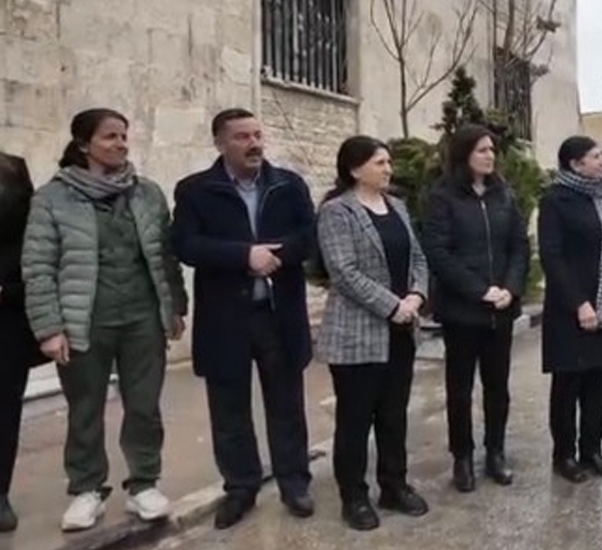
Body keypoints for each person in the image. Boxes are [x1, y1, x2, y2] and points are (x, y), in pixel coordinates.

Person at [22, 109, 188, 530]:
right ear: (83, 145)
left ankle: (144, 484)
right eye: (110, 136)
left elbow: (164, 257)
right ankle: (85, 489)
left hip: (142, 318)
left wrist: (175, 308)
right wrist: (49, 328)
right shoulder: (52, 197)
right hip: (84, 321)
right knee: (84, 408)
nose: (121, 144)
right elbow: (38, 265)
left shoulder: (146, 193)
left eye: (124, 136)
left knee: (145, 407)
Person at [170, 109, 316, 529]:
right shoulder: (197, 190)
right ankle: (240, 486)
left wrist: (275, 255)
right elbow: (185, 244)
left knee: (286, 405)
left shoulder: (288, 185)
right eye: (242, 137)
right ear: (220, 143)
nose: (254, 144)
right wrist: (242, 256)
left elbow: (308, 237)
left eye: (257, 135)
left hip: (278, 314)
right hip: (226, 317)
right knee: (229, 409)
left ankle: (293, 481)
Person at [316, 136, 431, 531]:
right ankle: (354, 496)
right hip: (357, 334)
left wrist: (416, 295)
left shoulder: (396, 206)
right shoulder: (337, 212)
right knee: (355, 419)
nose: (388, 169)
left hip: (401, 330)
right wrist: (393, 305)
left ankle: (394, 484)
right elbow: (344, 272)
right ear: (354, 169)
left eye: (388, 162)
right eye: (380, 162)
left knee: (393, 415)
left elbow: (417, 256)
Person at [419, 125, 530, 492]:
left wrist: (510, 289)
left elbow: (518, 247)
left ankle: (495, 452)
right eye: (482, 150)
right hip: (462, 310)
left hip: (500, 310)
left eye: (492, 150)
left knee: (497, 386)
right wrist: (480, 290)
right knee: (460, 387)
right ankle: (462, 457)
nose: (490, 156)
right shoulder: (443, 197)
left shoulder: (504, 196)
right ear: (464, 153)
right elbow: (438, 252)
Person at [538, 136, 602, 483]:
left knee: (598, 382)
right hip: (572, 308)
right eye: (596, 157)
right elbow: (553, 256)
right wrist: (579, 302)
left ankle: (592, 449)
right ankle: (564, 455)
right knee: (568, 384)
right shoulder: (556, 201)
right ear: (575, 164)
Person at [0, 152, 45, 533]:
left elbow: (28, 240)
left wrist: (10, 288)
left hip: (5, 310)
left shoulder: (11, 169)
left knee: (3, 408)